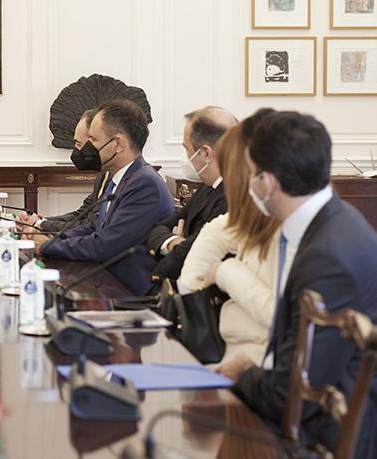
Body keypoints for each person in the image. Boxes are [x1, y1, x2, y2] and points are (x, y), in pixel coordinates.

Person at [217, 110, 377, 458]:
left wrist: (243, 372)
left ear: (268, 182)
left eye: (251, 172)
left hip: (323, 439)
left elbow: (289, 397)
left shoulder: (328, 258)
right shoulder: (330, 221)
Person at [31, 99, 174, 294]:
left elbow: (104, 245)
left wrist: (47, 246)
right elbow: (94, 227)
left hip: (128, 294)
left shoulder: (145, 184)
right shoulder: (123, 177)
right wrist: (49, 239)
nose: (87, 147)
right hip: (105, 282)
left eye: (93, 140)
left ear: (117, 144)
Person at [176, 120, 282, 364]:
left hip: (255, 365)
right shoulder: (244, 220)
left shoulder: (288, 230)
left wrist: (224, 272)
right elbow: (188, 284)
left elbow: (279, 316)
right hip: (226, 355)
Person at [148, 107, 236, 284]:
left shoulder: (233, 197)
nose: (186, 156)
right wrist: (175, 243)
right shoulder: (207, 186)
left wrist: (179, 245)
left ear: (205, 153)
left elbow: (194, 252)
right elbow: (159, 229)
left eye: (186, 148)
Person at [17, 109, 108, 233]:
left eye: (79, 144)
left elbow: (89, 226)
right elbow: (81, 214)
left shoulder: (117, 180)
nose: (76, 150)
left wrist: (39, 224)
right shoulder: (103, 173)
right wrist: (40, 221)